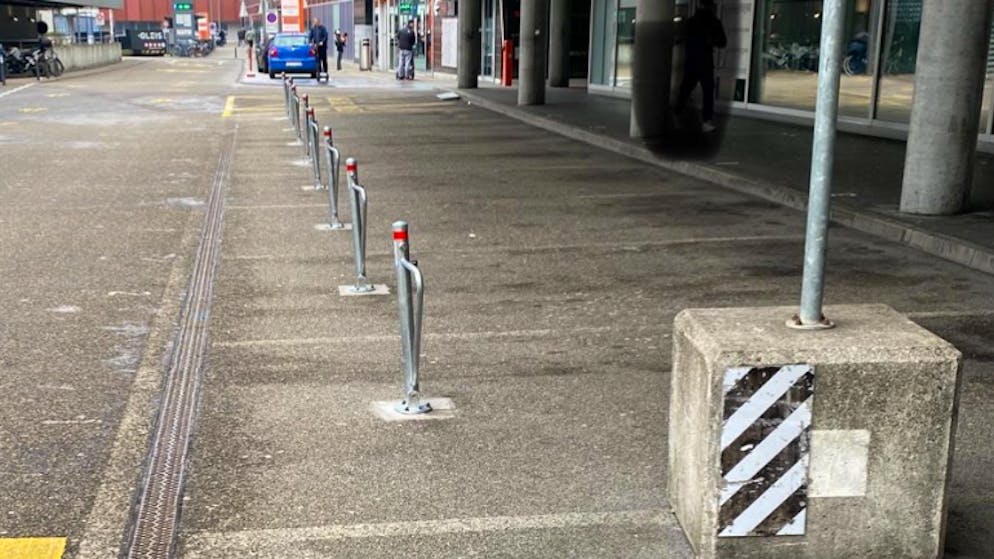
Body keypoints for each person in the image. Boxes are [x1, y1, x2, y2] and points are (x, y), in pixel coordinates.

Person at [674, 0, 727, 132]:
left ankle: (676, 116)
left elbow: (681, 38)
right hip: (705, 62)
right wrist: (711, 41)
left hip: (692, 61)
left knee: (685, 90)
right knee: (708, 92)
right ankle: (706, 121)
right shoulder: (714, 22)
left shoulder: (691, 22)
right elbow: (722, 42)